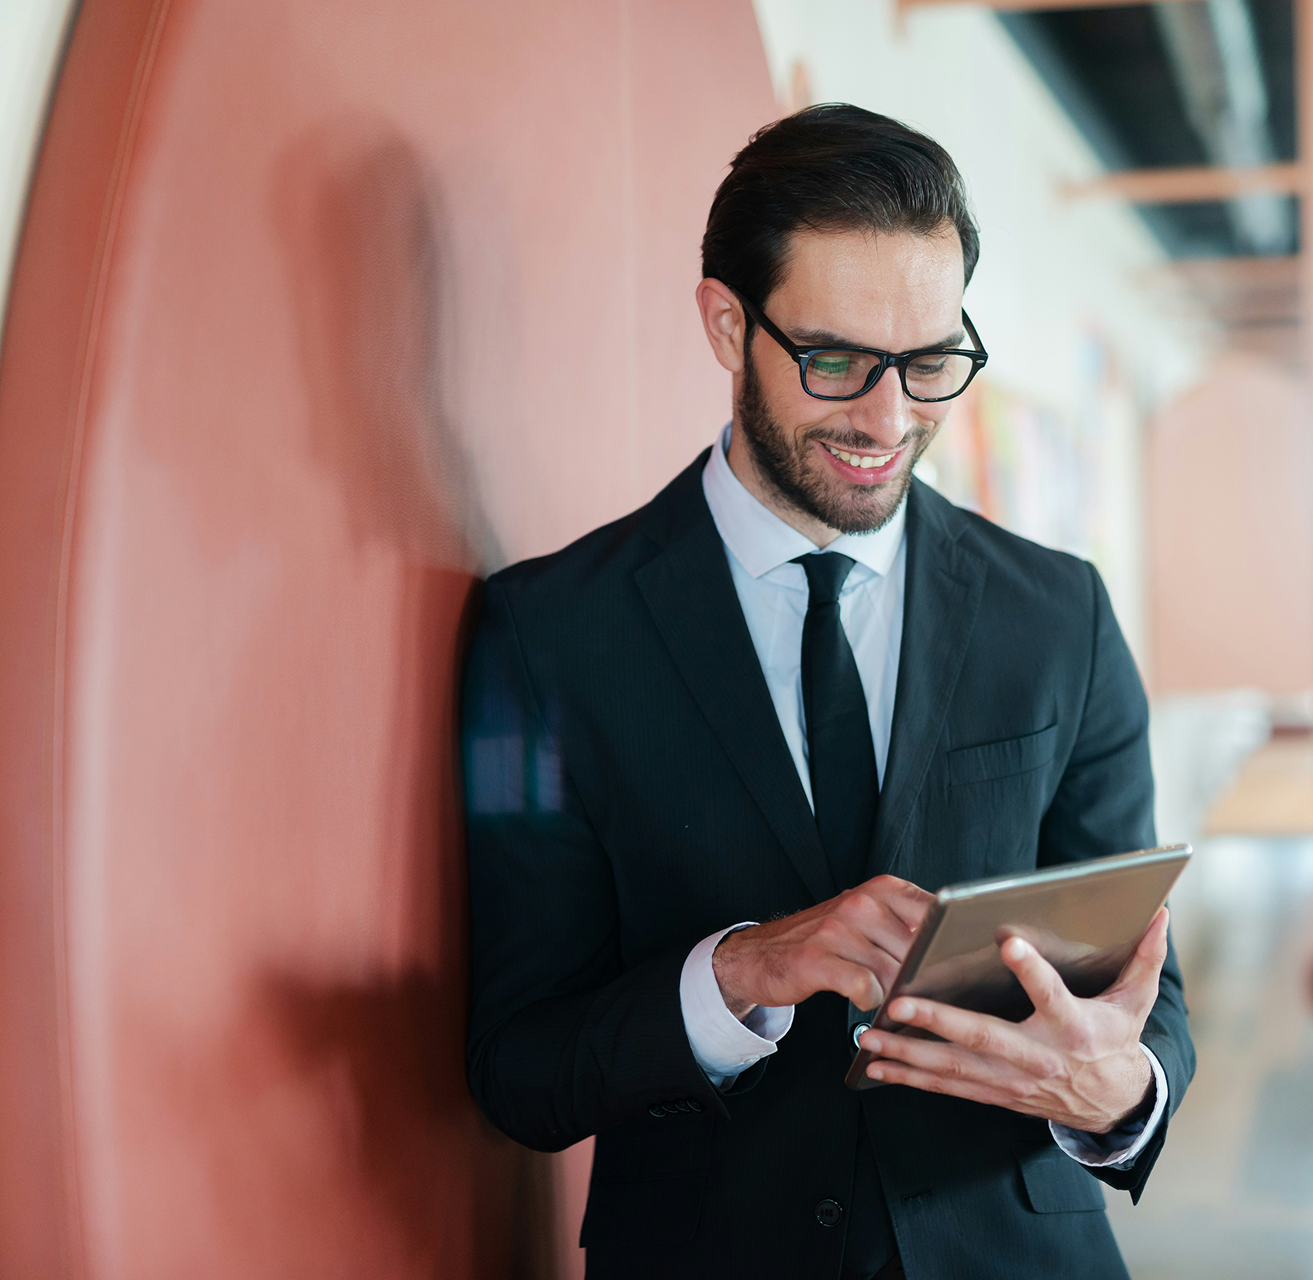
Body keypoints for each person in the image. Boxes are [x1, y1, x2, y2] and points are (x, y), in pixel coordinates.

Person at [461, 103, 1193, 1280]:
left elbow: (1143, 993)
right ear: (724, 323)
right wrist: (740, 970)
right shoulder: (547, 634)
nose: (890, 417)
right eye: (838, 361)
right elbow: (521, 1062)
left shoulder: (1061, 614)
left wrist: (1117, 1089)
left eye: (933, 361)